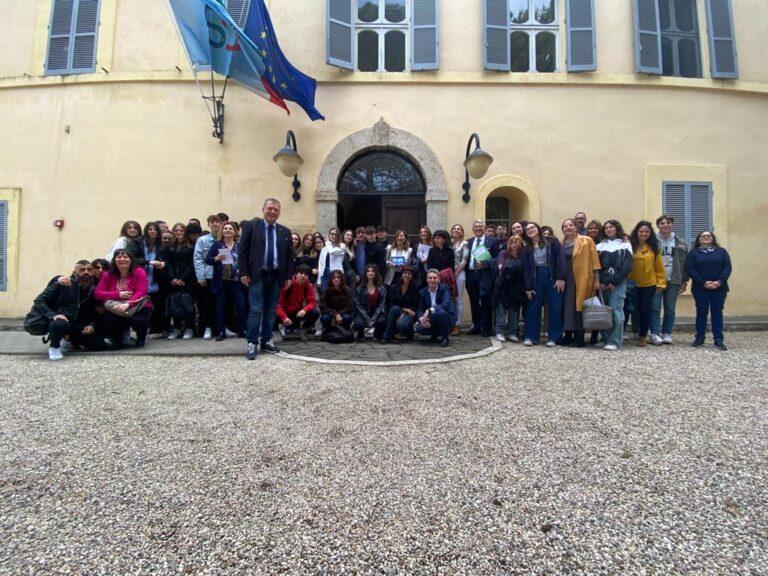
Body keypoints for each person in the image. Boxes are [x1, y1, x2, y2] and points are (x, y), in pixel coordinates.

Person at [239, 198, 295, 359]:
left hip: (276, 276)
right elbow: (242, 251)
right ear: (263, 209)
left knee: (271, 310)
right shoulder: (251, 226)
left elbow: (289, 257)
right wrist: (243, 272)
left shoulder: (285, 231)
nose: (273, 212)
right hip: (257, 275)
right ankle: (252, 343)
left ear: (279, 212)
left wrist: (288, 277)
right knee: (256, 310)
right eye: (270, 208)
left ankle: (266, 340)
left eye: (276, 210)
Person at [32, 260, 107, 360]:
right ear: (75, 272)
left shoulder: (95, 288)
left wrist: (92, 325)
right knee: (57, 324)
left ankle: (68, 337)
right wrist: (52, 315)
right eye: (82, 269)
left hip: (80, 324)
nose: (86, 272)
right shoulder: (64, 283)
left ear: (93, 272)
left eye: (89, 269)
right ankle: (54, 347)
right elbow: (39, 300)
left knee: (100, 345)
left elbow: (97, 310)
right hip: (64, 319)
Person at [94, 249, 153, 350]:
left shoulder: (139, 272)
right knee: (110, 319)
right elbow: (97, 293)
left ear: (131, 260)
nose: (122, 259)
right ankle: (117, 340)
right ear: (114, 260)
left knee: (139, 318)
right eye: (119, 257)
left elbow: (142, 291)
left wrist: (128, 303)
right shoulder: (108, 275)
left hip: (137, 305)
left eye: (125, 257)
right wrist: (118, 295)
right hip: (117, 305)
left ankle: (141, 338)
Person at [558, 218, 601, 347]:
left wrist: (597, 279)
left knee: (580, 307)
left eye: (570, 225)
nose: (568, 227)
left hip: (582, 278)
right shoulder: (561, 243)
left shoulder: (587, 240)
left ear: (576, 227)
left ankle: (579, 337)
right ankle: (568, 335)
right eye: (565, 226)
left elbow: (595, 261)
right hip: (566, 279)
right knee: (567, 307)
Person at [686, 231, 731, 350]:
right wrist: (703, 282)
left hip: (719, 288)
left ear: (713, 238)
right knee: (701, 312)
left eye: (709, 235)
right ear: (698, 239)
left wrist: (719, 282)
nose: (706, 237)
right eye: (703, 236)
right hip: (700, 288)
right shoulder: (693, 253)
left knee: (717, 312)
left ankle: (718, 339)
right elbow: (690, 269)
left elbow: (727, 268)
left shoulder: (721, 252)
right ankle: (699, 337)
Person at [522, 222, 564, 347]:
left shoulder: (552, 241)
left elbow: (560, 259)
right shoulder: (526, 248)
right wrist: (528, 287)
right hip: (536, 277)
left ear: (538, 228)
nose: (530, 230)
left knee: (555, 307)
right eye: (528, 229)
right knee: (533, 307)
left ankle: (554, 338)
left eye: (532, 227)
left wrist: (560, 278)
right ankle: (530, 336)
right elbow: (526, 269)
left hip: (553, 277)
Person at [651, 214, 689, 345]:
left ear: (672, 225)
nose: (665, 225)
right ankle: (655, 333)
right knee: (655, 307)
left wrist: (684, 281)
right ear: (658, 226)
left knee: (670, 308)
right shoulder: (652, 241)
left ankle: (667, 333)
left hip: (673, 279)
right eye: (662, 223)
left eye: (668, 223)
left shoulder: (680, 242)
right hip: (656, 280)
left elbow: (685, 264)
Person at [596, 220, 633, 351]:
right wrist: (602, 282)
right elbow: (597, 266)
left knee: (616, 310)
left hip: (618, 282)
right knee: (604, 311)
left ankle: (614, 341)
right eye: (606, 227)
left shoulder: (625, 245)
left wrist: (613, 282)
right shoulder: (600, 246)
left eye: (611, 227)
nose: (608, 229)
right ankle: (605, 338)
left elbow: (627, 267)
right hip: (602, 283)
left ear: (617, 228)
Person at [628, 221, 666, 347]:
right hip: (631, 283)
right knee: (630, 309)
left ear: (650, 233)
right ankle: (629, 332)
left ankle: (643, 336)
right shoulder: (629, 245)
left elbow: (659, 267)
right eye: (641, 231)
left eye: (647, 231)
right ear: (636, 232)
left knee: (644, 310)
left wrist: (661, 283)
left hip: (648, 284)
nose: (644, 233)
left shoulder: (653, 247)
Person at [205, 222, 246, 340]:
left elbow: (246, 261)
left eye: (230, 228)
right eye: (225, 228)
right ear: (222, 231)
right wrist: (216, 258)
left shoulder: (239, 245)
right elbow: (207, 260)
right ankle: (221, 332)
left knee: (241, 305)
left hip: (236, 281)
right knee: (221, 307)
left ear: (235, 232)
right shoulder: (217, 245)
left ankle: (242, 330)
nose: (227, 230)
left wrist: (242, 270)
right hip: (222, 281)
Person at [160, 223, 197, 340]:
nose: (178, 232)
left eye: (181, 230)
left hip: (188, 279)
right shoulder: (170, 246)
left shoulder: (191, 245)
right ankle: (176, 328)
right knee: (175, 303)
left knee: (188, 303)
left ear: (185, 232)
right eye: (176, 230)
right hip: (173, 280)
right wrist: (173, 278)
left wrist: (183, 279)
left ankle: (190, 328)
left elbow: (192, 264)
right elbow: (168, 263)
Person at [465, 220, 498, 337]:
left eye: (480, 226)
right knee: (474, 302)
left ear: (484, 228)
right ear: (473, 229)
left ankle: (487, 328)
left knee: (485, 301)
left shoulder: (492, 241)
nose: (478, 228)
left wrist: (485, 263)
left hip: (485, 275)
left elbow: (497, 258)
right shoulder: (468, 242)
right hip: (471, 275)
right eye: (476, 226)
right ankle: (476, 326)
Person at [194, 214, 223, 340]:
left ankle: (221, 328)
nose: (215, 224)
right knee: (207, 304)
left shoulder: (225, 239)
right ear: (209, 224)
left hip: (222, 277)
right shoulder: (202, 240)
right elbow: (198, 259)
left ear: (221, 224)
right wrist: (200, 277)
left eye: (217, 222)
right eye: (212, 222)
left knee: (221, 303)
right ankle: (208, 327)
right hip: (208, 276)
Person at [493, 236, 526, 342]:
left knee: (514, 311)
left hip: (516, 287)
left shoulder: (523, 256)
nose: (513, 244)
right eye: (511, 242)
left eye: (516, 242)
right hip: (503, 286)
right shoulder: (503, 253)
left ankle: (512, 333)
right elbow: (501, 267)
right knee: (501, 310)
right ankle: (499, 332)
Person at [275, 265, 320, 338]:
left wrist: (304, 310)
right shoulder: (288, 284)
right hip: (285, 313)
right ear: (296, 274)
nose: (303, 276)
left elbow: (312, 302)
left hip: (298, 313)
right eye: (301, 273)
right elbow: (277, 304)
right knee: (271, 313)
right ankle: (275, 332)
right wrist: (284, 317)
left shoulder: (308, 285)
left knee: (315, 312)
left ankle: (304, 329)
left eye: (306, 274)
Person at [142, 222, 168, 339]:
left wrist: (163, 264)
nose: (152, 231)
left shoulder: (162, 245)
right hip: (143, 279)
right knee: (147, 307)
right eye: (150, 229)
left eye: (155, 229)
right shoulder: (141, 244)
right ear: (146, 231)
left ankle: (161, 329)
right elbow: (135, 258)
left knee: (159, 306)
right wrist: (148, 262)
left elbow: (168, 261)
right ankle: (151, 329)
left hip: (158, 280)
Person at [416, 269, 456, 347]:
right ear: (427, 280)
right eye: (430, 278)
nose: (432, 280)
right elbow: (420, 309)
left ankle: (445, 338)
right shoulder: (422, 292)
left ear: (439, 280)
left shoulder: (445, 288)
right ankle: (434, 335)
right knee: (419, 329)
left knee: (441, 313)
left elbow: (446, 304)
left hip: (446, 317)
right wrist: (422, 320)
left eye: (435, 278)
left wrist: (430, 310)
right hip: (431, 318)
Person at [382, 265, 420, 343]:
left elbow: (415, 305)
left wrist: (405, 313)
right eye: (405, 273)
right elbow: (391, 304)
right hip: (395, 312)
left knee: (403, 325)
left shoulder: (415, 288)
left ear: (412, 276)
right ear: (401, 275)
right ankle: (387, 337)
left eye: (409, 273)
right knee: (394, 309)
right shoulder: (393, 287)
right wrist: (404, 310)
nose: (407, 275)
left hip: (409, 314)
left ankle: (409, 332)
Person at [353, 264, 387, 340]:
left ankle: (377, 334)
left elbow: (381, 304)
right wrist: (367, 318)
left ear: (376, 273)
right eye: (368, 271)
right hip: (363, 313)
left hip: (376, 313)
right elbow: (358, 305)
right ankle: (361, 333)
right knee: (358, 324)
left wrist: (374, 318)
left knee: (382, 321)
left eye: (372, 271)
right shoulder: (360, 288)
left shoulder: (381, 288)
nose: (370, 273)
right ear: (365, 273)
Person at [585, 219, 604, 345]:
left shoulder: (603, 243)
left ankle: (595, 334)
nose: (593, 230)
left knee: (598, 306)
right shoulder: (584, 241)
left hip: (599, 277)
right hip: (586, 277)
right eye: (590, 228)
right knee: (588, 305)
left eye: (595, 228)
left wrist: (597, 279)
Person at [451, 224, 469, 336]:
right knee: (450, 299)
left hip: (459, 273)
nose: (456, 230)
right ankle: (450, 323)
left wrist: (456, 272)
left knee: (458, 299)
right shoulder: (449, 243)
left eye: (459, 229)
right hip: (448, 273)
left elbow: (464, 259)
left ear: (461, 232)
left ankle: (457, 324)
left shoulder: (464, 244)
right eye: (454, 228)